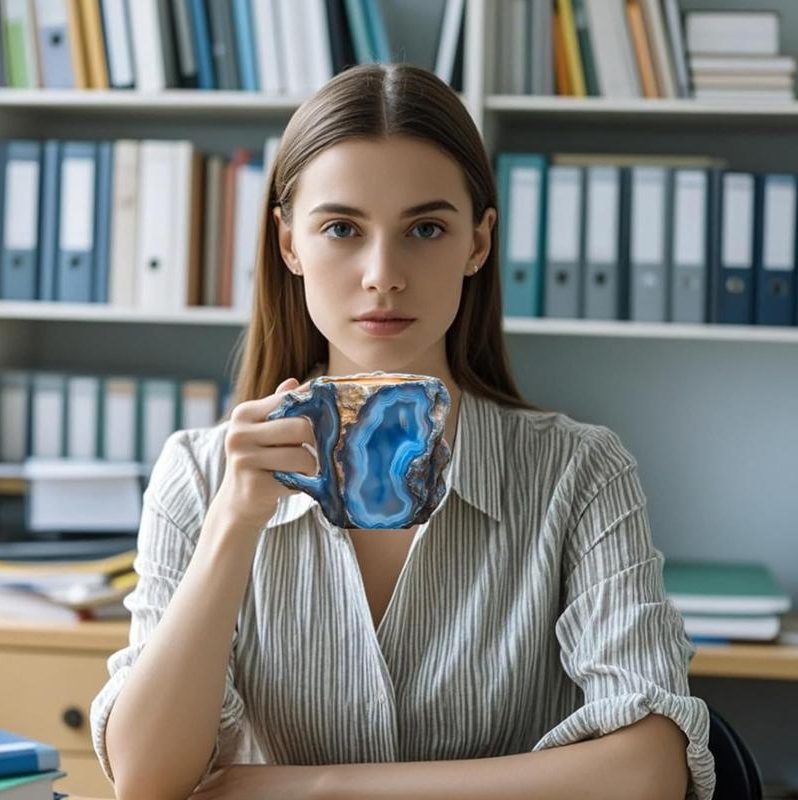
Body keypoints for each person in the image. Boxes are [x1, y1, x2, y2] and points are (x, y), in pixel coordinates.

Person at [89, 62, 716, 800]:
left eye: (425, 228)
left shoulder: (580, 472)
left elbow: (649, 772)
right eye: (341, 229)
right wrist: (233, 523)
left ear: (477, 242)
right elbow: (147, 781)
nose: (383, 274)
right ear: (289, 244)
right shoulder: (199, 474)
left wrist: (314, 790)